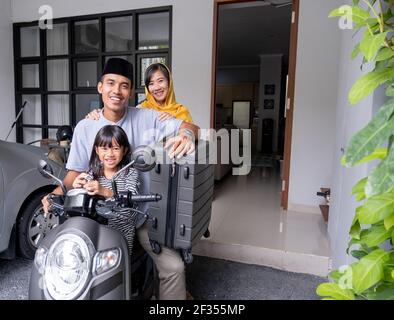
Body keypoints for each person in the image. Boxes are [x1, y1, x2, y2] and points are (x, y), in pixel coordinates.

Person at [42, 58, 199, 300]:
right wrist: (56, 192)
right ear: (100, 87)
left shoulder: (147, 117)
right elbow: (73, 172)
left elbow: (190, 126)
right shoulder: (86, 126)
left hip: (142, 212)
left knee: (174, 268)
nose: (117, 91)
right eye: (111, 83)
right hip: (98, 214)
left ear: (131, 92)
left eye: (124, 85)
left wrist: (186, 135)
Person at [73, 125, 139, 256]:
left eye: (115, 148)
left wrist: (106, 192)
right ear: (97, 150)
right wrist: (78, 189)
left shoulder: (130, 173)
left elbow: (131, 212)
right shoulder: (92, 174)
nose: (110, 154)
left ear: (124, 150)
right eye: (104, 148)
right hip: (94, 236)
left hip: (120, 237)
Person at [87, 62, 193, 123]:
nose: (156, 87)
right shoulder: (141, 110)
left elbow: (194, 137)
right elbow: (117, 116)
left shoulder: (181, 111)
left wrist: (176, 124)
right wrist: (99, 115)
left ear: (169, 83)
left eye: (160, 81)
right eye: (151, 83)